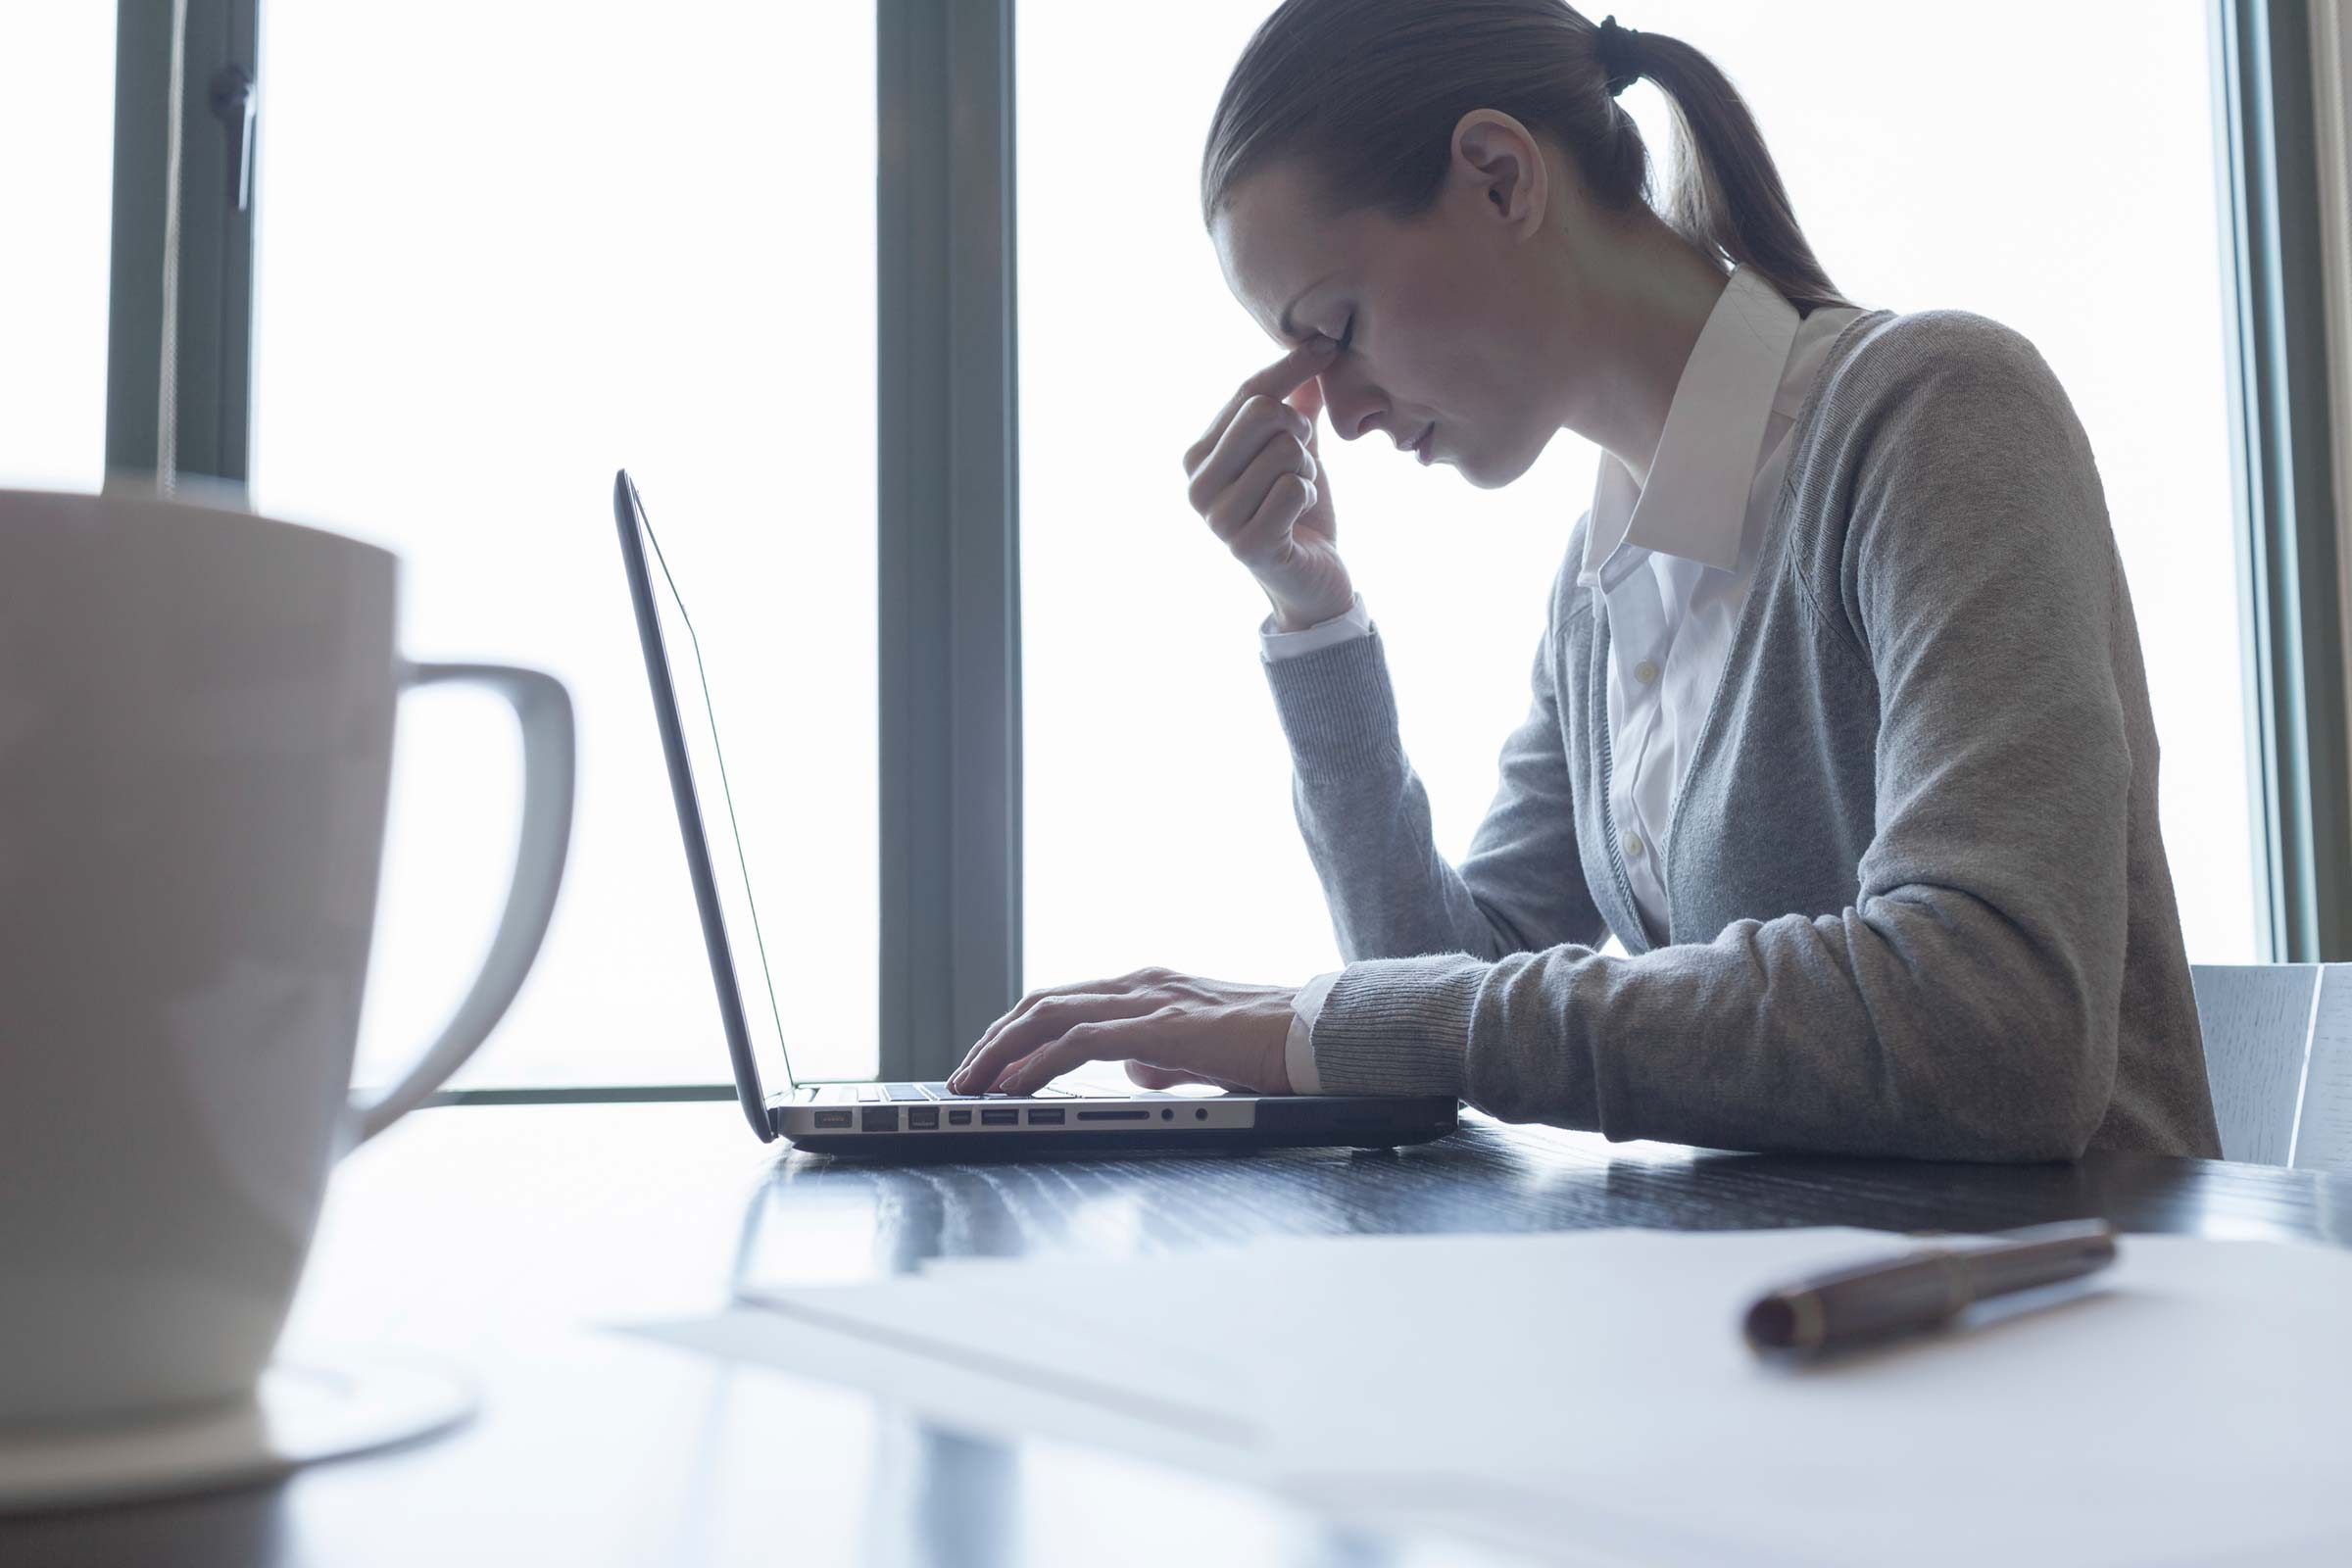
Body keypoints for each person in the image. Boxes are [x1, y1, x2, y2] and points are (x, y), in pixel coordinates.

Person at [950, 0, 2224, 1161]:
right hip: (1786, 1331)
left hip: (2047, 1338)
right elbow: (1443, 987)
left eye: (1333, 330)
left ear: (1500, 176)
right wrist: (1313, 612)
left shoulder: (1932, 415)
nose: (1330, 414)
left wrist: (1322, 1023)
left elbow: (1992, 1025)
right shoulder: (1599, 580)